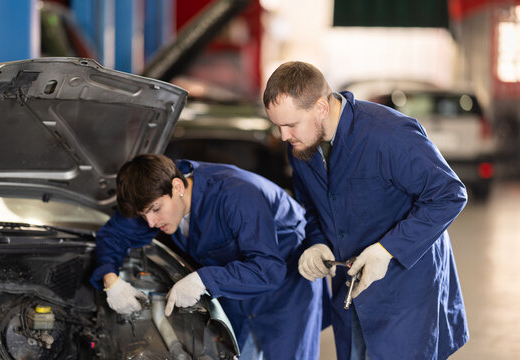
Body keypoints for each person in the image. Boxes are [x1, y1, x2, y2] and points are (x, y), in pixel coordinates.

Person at [263, 61, 469, 360]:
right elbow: (311, 206)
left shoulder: (390, 134)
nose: (283, 136)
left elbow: (450, 194)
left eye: (291, 124)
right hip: (350, 290)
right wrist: (317, 241)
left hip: (407, 292)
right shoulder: (301, 146)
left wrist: (388, 250)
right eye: (277, 126)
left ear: (321, 107)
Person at [89, 154, 323, 360]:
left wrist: (203, 280)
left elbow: (269, 270)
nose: (150, 223)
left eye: (155, 210)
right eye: (144, 215)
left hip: (286, 288)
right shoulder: (157, 191)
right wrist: (111, 280)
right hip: (233, 287)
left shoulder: (235, 194)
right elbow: (113, 235)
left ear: (178, 187)